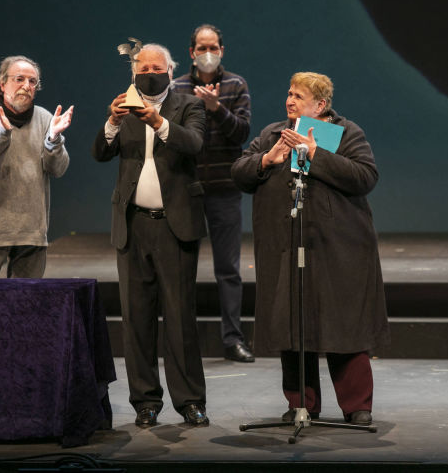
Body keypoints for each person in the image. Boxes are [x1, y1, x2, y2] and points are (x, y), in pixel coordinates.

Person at [231, 72, 389, 425]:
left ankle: (357, 405)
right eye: (289, 93)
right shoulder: (273, 134)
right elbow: (239, 172)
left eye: (298, 96)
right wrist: (266, 159)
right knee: (293, 324)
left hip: (338, 247)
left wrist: (316, 153)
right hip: (285, 246)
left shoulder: (346, 133)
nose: (289, 100)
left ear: (320, 105)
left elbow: (365, 176)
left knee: (343, 324)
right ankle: (302, 403)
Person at [92, 43, 209, 427]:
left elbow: (194, 144)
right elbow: (100, 153)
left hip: (175, 225)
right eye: (142, 69)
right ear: (133, 73)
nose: (149, 74)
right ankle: (145, 401)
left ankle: (190, 400)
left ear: (171, 72)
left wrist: (158, 122)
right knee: (136, 319)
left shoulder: (189, 105)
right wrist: (112, 122)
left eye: (157, 68)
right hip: (133, 225)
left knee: (180, 317)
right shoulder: (123, 106)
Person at [172, 24, 253, 363]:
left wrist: (217, 108)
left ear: (222, 50)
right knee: (181, 269)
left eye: (214, 47)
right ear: (192, 52)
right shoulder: (176, 87)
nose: (208, 53)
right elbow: (171, 136)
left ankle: (233, 339)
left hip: (224, 188)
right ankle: (181, 340)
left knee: (228, 269)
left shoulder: (236, 84)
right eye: (202, 48)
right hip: (186, 189)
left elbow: (243, 134)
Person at [0, 55, 72, 278]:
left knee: (26, 299)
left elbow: (59, 169)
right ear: (2, 84)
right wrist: (2, 134)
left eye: (32, 81)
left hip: (31, 232)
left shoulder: (45, 119)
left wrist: (53, 139)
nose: (26, 86)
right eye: (19, 79)